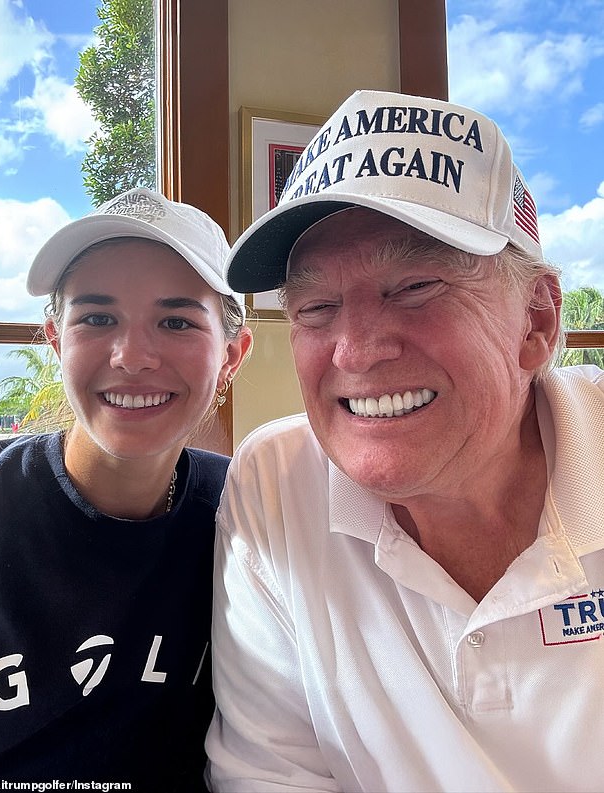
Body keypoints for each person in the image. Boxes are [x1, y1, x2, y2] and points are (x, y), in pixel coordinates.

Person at [205, 90, 604, 792]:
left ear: (537, 320)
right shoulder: (275, 484)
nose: (354, 351)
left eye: (415, 286)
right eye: (316, 307)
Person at [0, 187, 252, 791]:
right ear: (54, 339)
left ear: (232, 354)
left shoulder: (249, 514)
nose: (132, 357)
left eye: (176, 321)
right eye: (97, 318)